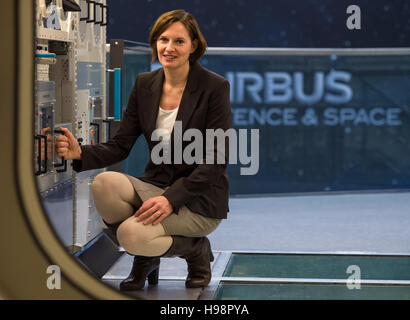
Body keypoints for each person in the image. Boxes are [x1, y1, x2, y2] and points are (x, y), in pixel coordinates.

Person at [55, 9, 232, 291]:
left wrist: (171, 199)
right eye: (163, 39)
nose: (169, 48)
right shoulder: (145, 84)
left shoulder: (214, 87)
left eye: (179, 41)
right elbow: (121, 144)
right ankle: (148, 255)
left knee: (130, 234)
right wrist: (81, 154)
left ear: (194, 46)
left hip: (199, 199)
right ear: (155, 42)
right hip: (157, 186)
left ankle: (194, 250)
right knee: (104, 184)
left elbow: (216, 161)